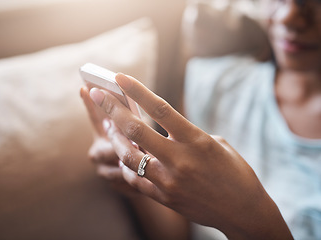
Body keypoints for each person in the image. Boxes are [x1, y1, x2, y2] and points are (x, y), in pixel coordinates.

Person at [80, 0, 321, 239]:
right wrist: (136, 178)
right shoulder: (214, 84)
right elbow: (178, 232)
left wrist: (249, 217)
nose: (289, 17)